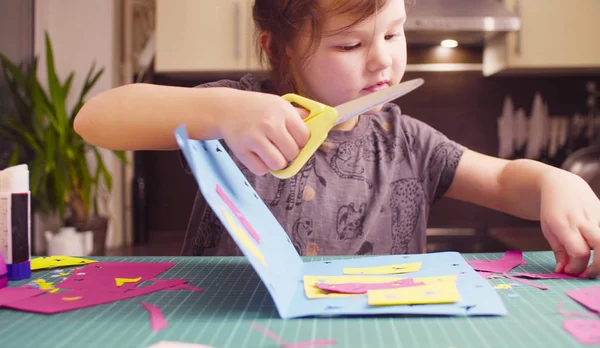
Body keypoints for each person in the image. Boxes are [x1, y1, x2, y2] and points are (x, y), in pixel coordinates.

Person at [74, 0, 599, 278]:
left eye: (393, 33)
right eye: (350, 44)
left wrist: (558, 185)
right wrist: (216, 109)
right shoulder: (238, 112)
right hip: (224, 325)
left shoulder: (406, 141)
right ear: (276, 47)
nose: (383, 59)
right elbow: (95, 119)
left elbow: (506, 179)